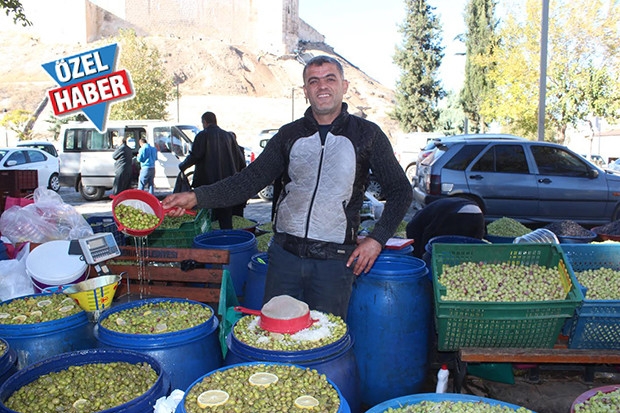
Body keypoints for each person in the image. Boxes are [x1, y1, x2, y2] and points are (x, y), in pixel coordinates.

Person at [163, 55, 412, 319]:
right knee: (278, 337)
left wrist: (377, 239)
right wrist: (195, 197)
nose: (322, 86)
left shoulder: (367, 134)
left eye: (330, 78)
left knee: (322, 338)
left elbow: (400, 191)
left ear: (344, 86)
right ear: (305, 91)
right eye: (313, 81)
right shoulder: (288, 135)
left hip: (335, 261)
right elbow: (248, 180)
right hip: (285, 258)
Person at [178, 113, 246, 229]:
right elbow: (240, 161)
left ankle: (211, 241)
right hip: (227, 183)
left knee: (207, 217)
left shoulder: (202, 136)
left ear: (204, 122)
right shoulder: (228, 136)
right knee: (225, 218)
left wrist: (182, 166)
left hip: (207, 184)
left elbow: (195, 156)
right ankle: (227, 240)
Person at [405, 197, 485, 259]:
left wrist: (421, 256)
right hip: (477, 212)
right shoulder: (428, 213)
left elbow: (428, 237)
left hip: (457, 213)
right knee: (474, 245)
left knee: (443, 243)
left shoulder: (414, 226)